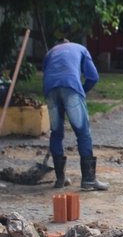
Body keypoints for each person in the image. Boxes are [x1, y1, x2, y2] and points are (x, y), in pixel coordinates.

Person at [42, 38, 109, 190]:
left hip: (50, 90)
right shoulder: (80, 48)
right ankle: (88, 180)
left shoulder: (50, 53)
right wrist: (81, 92)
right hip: (71, 87)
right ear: (68, 42)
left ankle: (60, 179)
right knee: (83, 133)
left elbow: (47, 74)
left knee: (56, 132)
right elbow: (93, 77)